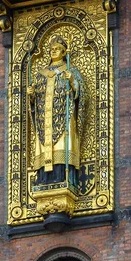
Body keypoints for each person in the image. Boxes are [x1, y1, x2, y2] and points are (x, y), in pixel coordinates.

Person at [27, 34, 85, 186]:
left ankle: (64, 176)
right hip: (44, 118)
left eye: (58, 49)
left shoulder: (70, 70)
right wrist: (31, 96)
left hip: (65, 115)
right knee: (45, 145)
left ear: (64, 52)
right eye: (52, 49)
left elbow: (82, 93)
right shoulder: (41, 74)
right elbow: (34, 101)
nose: (53, 51)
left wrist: (72, 81)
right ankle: (44, 178)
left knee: (63, 144)